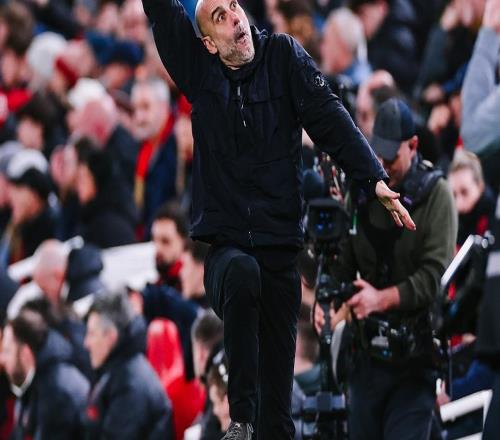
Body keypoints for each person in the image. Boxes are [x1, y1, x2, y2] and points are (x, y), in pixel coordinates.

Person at [142, 0, 415, 437]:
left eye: (234, 6)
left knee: (278, 418)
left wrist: (373, 179)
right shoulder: (199, 71)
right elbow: (161, 12)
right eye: (220, 17)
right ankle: (240, 420)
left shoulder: (283, 56)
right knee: (242, 272)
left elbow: (329, 116)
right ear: (208, 44)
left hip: (280, 254)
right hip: (227, 250)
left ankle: (259, 424)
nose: (235, 18)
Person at [316, 98, 457, 440]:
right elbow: (342, 262)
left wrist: (381, 299)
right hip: (367, 357)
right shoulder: (361, 192)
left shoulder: (436, 195)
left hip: (414, 360)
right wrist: (327, 304)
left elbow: (432, 277)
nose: (382, 164)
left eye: (391, 157)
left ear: (413, 146)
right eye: (377, 155)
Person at [83, 292, 174, 439]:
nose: (86, 343)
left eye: (91, 334)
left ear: (110, 337)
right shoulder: (119, 368)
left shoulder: (129, 387)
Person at [0, 309, 89, 439]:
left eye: (7, 351)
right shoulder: (34, 382)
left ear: (25, 354)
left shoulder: (56, 391)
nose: (2, 360)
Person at [131, 77, 177, 239]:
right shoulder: (144, 148)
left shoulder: (177, 146)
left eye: (145, 107)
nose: (139, 117)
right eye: (135, 109)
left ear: (163, 107)